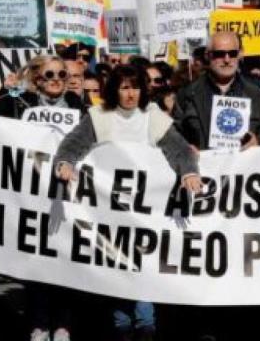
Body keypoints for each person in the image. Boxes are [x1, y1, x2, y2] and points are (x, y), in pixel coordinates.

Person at [55, 65, 201, 341]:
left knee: (144, 300)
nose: (130, 94)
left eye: (135, 87)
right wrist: (65, 163)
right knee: (120, 299)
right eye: (124, 87)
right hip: (110, 220)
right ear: (114, 90)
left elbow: (179, 149)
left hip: (145, 221)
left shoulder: (153, 117)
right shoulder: (99, 117)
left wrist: (189, 172)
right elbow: (73, 144)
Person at [0, 56, 80, 341]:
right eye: (49, 74)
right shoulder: (21, 102)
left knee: (65, 259)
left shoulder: (80, 107)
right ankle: (39, 322)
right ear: (38, 79)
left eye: (62, 75)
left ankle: (63, 323)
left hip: (67, 195)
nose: (56, 79)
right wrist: (6, 90)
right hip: (32, 194)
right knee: (38, 259)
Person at [175, 31, 260, 150]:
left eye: (232, 53)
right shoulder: (188, 94)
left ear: (240, 54)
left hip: (242, 167)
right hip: (202, 166)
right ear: (208, 55)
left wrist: (258, 141)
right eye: (219, 54)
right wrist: (185, 148)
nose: (227, 60)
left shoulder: (256, 95)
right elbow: (174, 134)